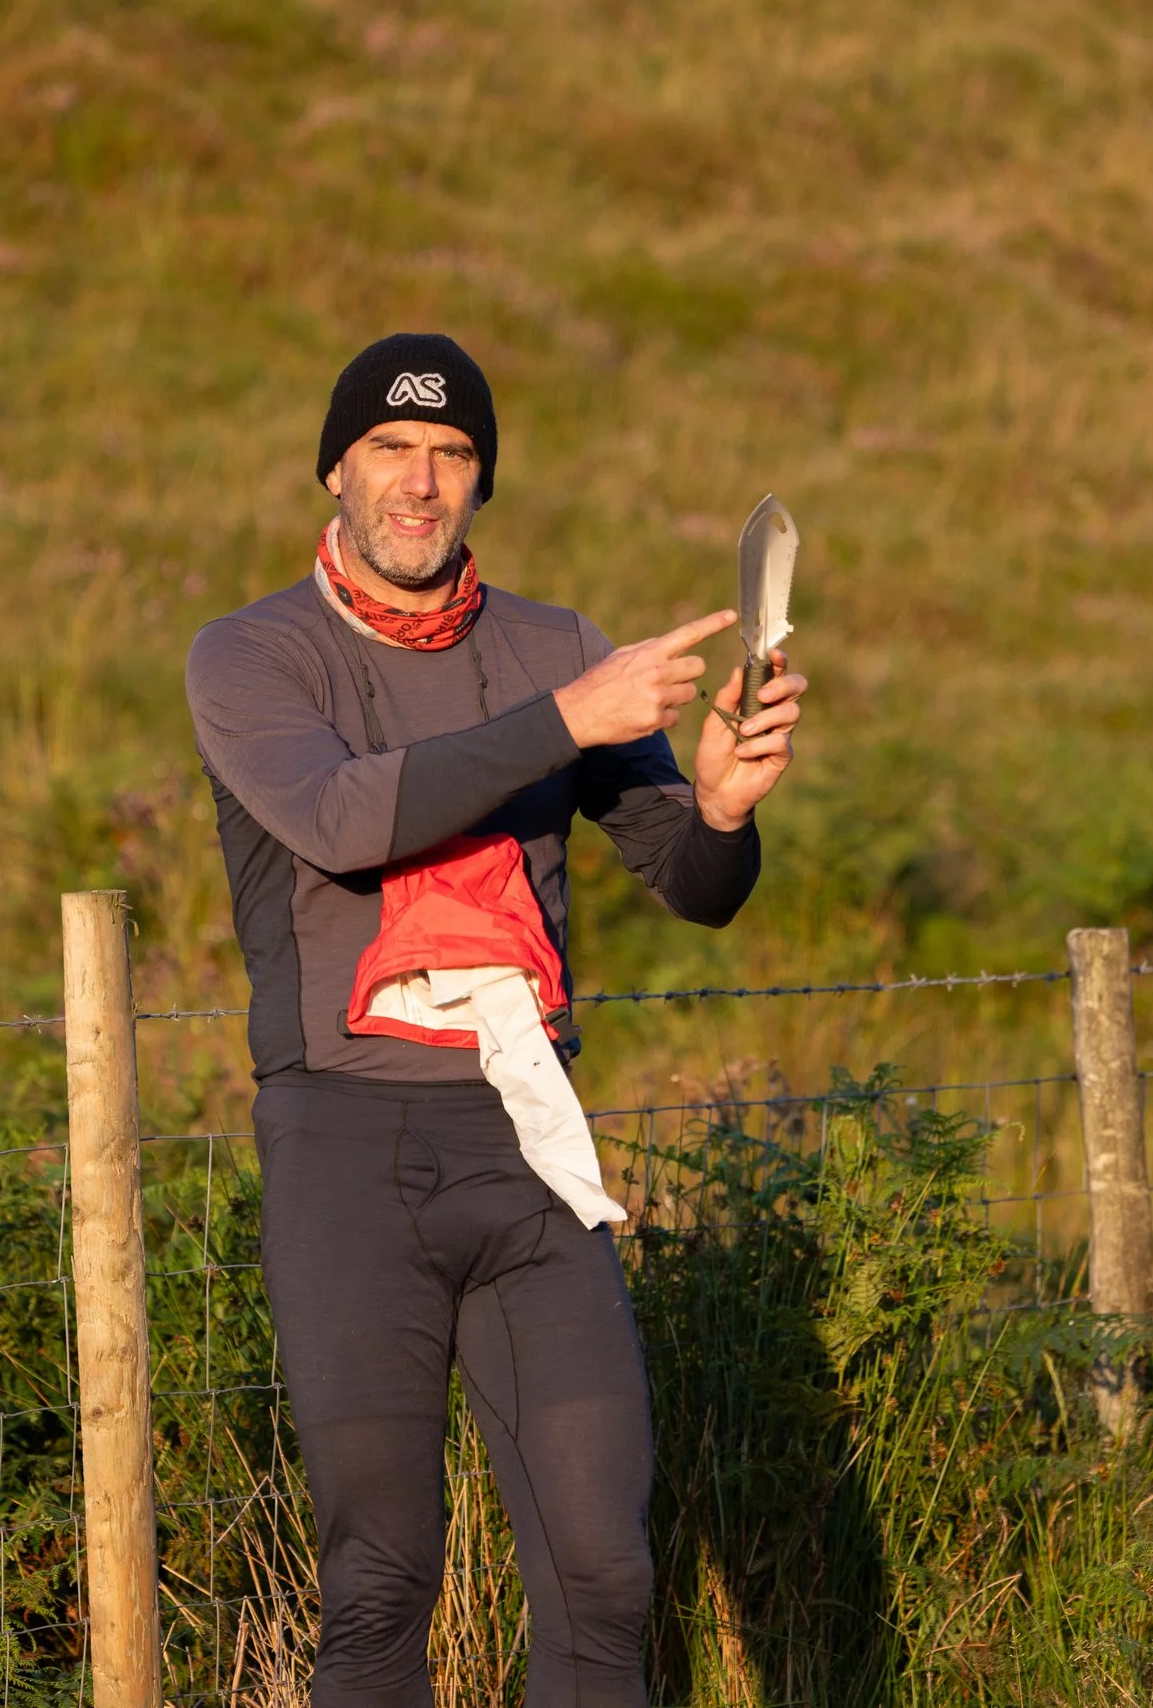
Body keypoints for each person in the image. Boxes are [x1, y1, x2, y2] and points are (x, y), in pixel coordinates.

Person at [184, 333, 806, 1708]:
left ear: (481, 482)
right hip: (345, 1146)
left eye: (453, 454)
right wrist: (564, 720)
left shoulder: (551, 644)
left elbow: (696, 889)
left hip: (524, 1140)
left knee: (604, 1576)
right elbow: (343, 823)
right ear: (336, 468)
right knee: (381, 1580)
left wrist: (721, 809)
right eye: (392, 451)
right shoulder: (249, 657)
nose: (421, 482)